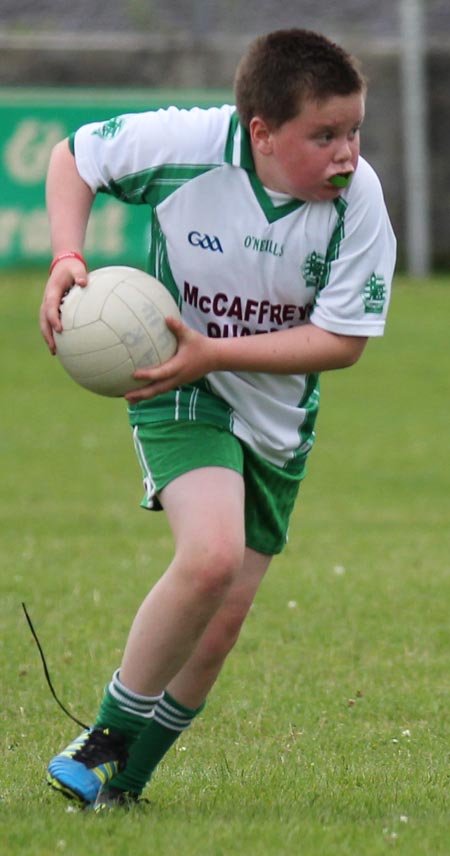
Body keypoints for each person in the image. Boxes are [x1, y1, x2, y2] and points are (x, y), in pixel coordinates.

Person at [40, 28, 396, 810]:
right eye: (324, 135)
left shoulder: (358, 202)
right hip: (174, 380)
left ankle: (124, 787)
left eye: (353, 130)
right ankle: (101, 735)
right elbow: (73, 157)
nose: (347, 153)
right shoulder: (188, 144)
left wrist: (220, 353)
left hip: (274, 414)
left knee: (224, 620)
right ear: (261, 133)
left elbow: (341, 342)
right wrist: (69, 253)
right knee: (209, 557)